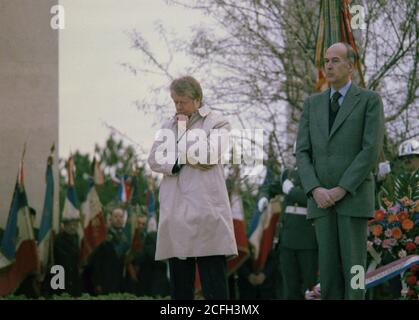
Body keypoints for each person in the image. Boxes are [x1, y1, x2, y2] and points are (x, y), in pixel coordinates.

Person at [296, 42, 385, 300]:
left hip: (353, 199)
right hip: (321, 203)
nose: (329, 66)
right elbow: (302, 152)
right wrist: (314, 189)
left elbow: (370, 150)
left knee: (354, 271)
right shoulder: (312, 104)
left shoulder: (369, 100)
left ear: (351, 65)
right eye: (326, 61)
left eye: (335, 60)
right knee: (328, 274)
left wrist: (341, 189)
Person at [147, 76, 238, 300]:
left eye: (182, 102)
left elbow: (209, 155)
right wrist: (179, 160)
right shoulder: (168, 125)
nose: (178, 107)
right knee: (180, 291)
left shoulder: (217, 122)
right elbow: (154, 159)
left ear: (197, 100)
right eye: (175, 102)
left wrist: (181, 138)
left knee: (214, 288)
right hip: (176, 215)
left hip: (208, 214)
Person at [279, 148, 318, 300]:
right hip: (288, 239)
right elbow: (271, 186)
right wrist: (264, 195)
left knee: (310, 287)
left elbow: (314, 200)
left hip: (307, 238)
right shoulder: (287, 174)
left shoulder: (315, 174)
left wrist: (292, 191)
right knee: (289, 286)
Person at [88, 207, 130, 295]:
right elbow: (96, 262)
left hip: (120, 282)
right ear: (110, 219)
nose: (118, 219)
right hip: (105, 281)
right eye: (116, 216)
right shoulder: (103, 236)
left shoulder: (125, 238)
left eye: (121, 217)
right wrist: (97, 283)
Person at [50, 217, 82, 297]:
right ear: (64, 226)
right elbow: (64, 257)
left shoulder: (77, 238)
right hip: (60, 275)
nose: (72, 227)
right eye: (69, 225)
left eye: (75, 225)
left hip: (74, 277)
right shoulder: (58, 239)